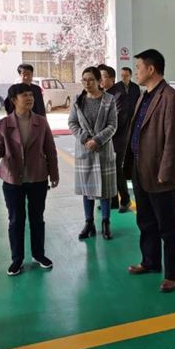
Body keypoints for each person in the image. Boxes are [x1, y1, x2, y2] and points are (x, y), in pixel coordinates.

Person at [0, 83, 59, 276]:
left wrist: (54, 174)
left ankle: (38, 254)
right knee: (16, 220)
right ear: (14, 100)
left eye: (31, 95)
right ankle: (17, 259)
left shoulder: (41, 122)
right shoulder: (4, 124)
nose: (29, 99)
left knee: (37, 219)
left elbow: (50, 150)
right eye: (25, 95)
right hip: (13, 180)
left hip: (37, 178)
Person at [124, 49, 175, 293]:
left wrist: (166, 171)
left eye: (138, 67)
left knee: (166, 226)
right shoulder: (145, 95)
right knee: (145, 220)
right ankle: (150, 261)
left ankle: (173, 274)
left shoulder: (170, 97)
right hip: (140, 167)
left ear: (151, 69)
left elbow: (173, 139)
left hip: (160, 172)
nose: (136, 72)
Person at [68, 66, 118, 240]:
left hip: (103, 150)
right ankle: (89, 222)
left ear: (99, 81)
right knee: (87, 189)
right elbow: (72, 123)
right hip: (85, 151)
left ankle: (105, 222)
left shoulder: (109, 100)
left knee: (105, 190)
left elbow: (113, 125)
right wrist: (85, 138)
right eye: (84, 80)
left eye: (91, 80)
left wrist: (97, 140)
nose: (87, 83)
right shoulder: (78, 100)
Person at [99, 65, 131, 212]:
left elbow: (118, 120)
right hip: (107, 138)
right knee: (108, 169)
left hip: (118, 139)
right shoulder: (104, 94)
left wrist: (102, 132)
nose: (101, 80)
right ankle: (112, 201)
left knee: (116, 169)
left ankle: (125, 200)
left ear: (112, 78)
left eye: (103, 77)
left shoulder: (119, 95)